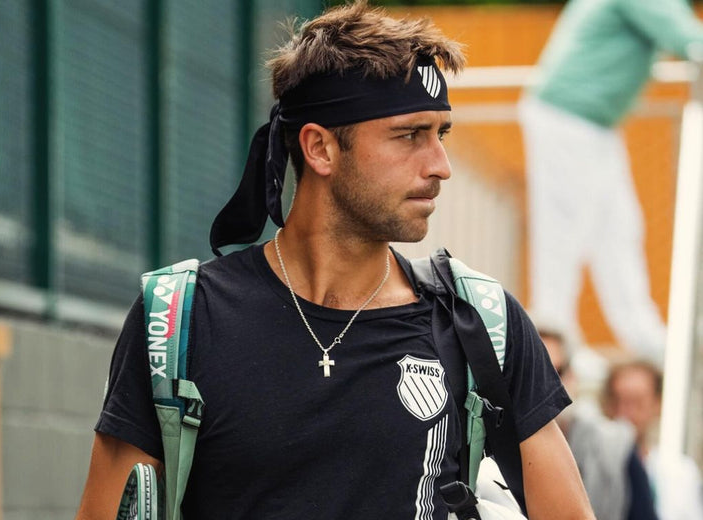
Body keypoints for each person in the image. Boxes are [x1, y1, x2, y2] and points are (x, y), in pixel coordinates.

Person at [76, 2, 595, 519]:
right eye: (410, 134)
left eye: (442, 134)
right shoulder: (179, 321)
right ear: (320, 148)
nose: (440, 166)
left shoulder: (479, 323)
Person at [519, 0, 703, 365]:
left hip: (594, 125)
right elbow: (687, 38)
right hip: (568, 120)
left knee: (618, 229)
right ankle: (554, 349)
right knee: (564, 235)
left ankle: (649, 342)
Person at [539, 325, 658, 520]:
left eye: (556, 372)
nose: (544, 383)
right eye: (533, 371)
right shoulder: (491, 451)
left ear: (572, 378)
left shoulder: (615, 450)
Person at [602, 360, 703, 520]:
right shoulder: (593, 469)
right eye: (617, 401)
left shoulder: (681, 473)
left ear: (657, 404)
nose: (625, 412)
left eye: (637, 402)